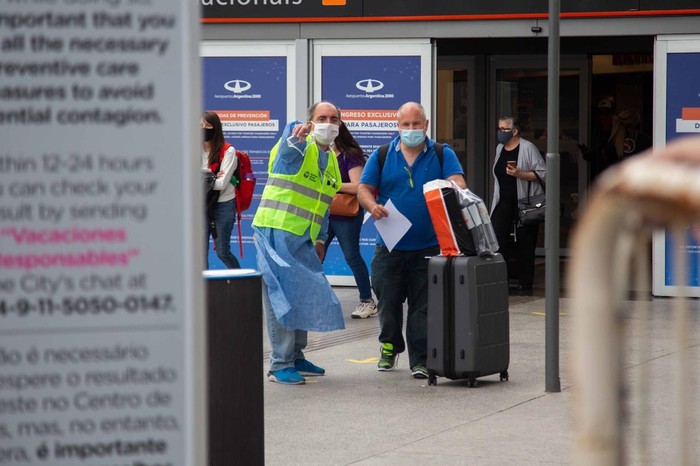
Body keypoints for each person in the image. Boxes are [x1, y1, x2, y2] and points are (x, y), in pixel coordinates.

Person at [357, 102, 466, 379]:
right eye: (405, 125)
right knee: (387, 300)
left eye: (416, 124)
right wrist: (371, 206)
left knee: (423, 306)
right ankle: (390, 346)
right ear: (398, 126)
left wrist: (451, 187)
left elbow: (459, 184)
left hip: (429, 245)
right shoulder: (382, 155)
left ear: (426, 125)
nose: (411, 130)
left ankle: (420, 359)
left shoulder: (442, 153)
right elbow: (363, 189)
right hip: (390, 245)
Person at [252, 101, 344, 385]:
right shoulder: (299, 146)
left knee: (303, 294)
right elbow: (287, 154)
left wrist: (319, 238)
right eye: (321, 117)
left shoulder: (331, 161)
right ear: (310, 121)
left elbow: (323, 205)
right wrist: (294, 139)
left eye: (333, 118)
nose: (327, 123)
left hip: (303, 238)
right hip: (275, 232)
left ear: (340, 125)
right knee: (280, 297)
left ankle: (296, 355)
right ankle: (280, 363)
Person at [324, 122, 377, 319]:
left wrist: (331, 185)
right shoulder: (324, 154)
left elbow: (358, 186)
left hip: (345, 214)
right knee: (315, 255)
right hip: (324, 212)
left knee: (351, 256)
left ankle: (367, 301)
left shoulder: (350, 154)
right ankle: (318, 299)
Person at [489, 116, 546, 296]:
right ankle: (499, 279)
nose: (501, 132)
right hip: (503, 201)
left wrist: (520, 174)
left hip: (525, 202)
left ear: (514, 131)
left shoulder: (528, 148)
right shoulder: (500, 149)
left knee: (526, 242)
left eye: (505, 129)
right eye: (499, 128)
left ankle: (525, 282)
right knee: (497, 239)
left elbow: (544, 173)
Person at [201, 111, 241, 269]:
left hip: (224, 205)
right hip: (201, 206)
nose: (203, 129)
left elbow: (222, 184)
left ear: (216, 128)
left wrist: (204, 178)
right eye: (200, 126)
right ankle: (203, 290)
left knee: (223, 252)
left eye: (208, 125)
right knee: (199, 254)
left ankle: (240, 284)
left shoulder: (228, 151)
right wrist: (211, 177)